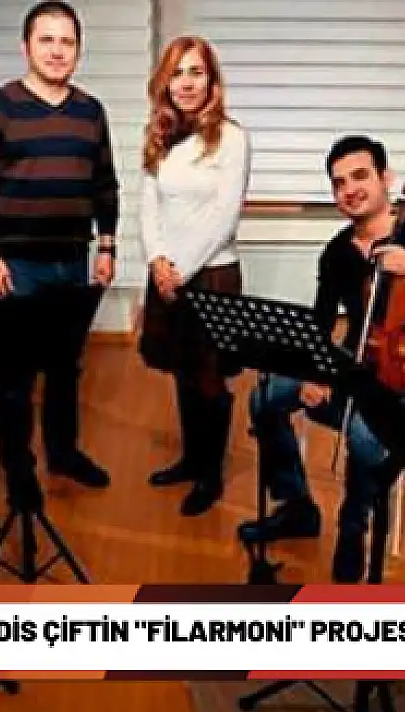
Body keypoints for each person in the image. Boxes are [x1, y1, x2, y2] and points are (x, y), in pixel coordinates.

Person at [239, 136, 405, 583]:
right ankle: (297, 506)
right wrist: (314, 372)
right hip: (354, 365)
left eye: (360, 176)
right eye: (339, 182)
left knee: (366, 435)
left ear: (385, 178)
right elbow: (322, 322)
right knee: (264, 396)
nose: (349, 189)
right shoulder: (337, 251)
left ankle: (353, 532)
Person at [0, 0, 116, 501]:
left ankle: (63, 453)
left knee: (66, 367)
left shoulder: (91, 111)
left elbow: (105, 185)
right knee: (15, 376)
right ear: (26, 46)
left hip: (73, 259)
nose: (57, 50)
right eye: (47, 39)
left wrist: (107, 245)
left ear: (79, 50)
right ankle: (19, 472)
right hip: (17, 263)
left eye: (67, 41)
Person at [138, 35, 251, 516]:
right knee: (182, 372)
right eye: (177, 73)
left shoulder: (231, 137)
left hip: (212, 275)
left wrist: (180, 270)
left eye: (196, 72)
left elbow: (225, 217)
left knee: (210, 379)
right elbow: (148, 206)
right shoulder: (159, 135)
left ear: (211, 81)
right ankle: (189, 460)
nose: (186, 83)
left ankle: (210, 474)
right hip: (166, 272)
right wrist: (156, 261)